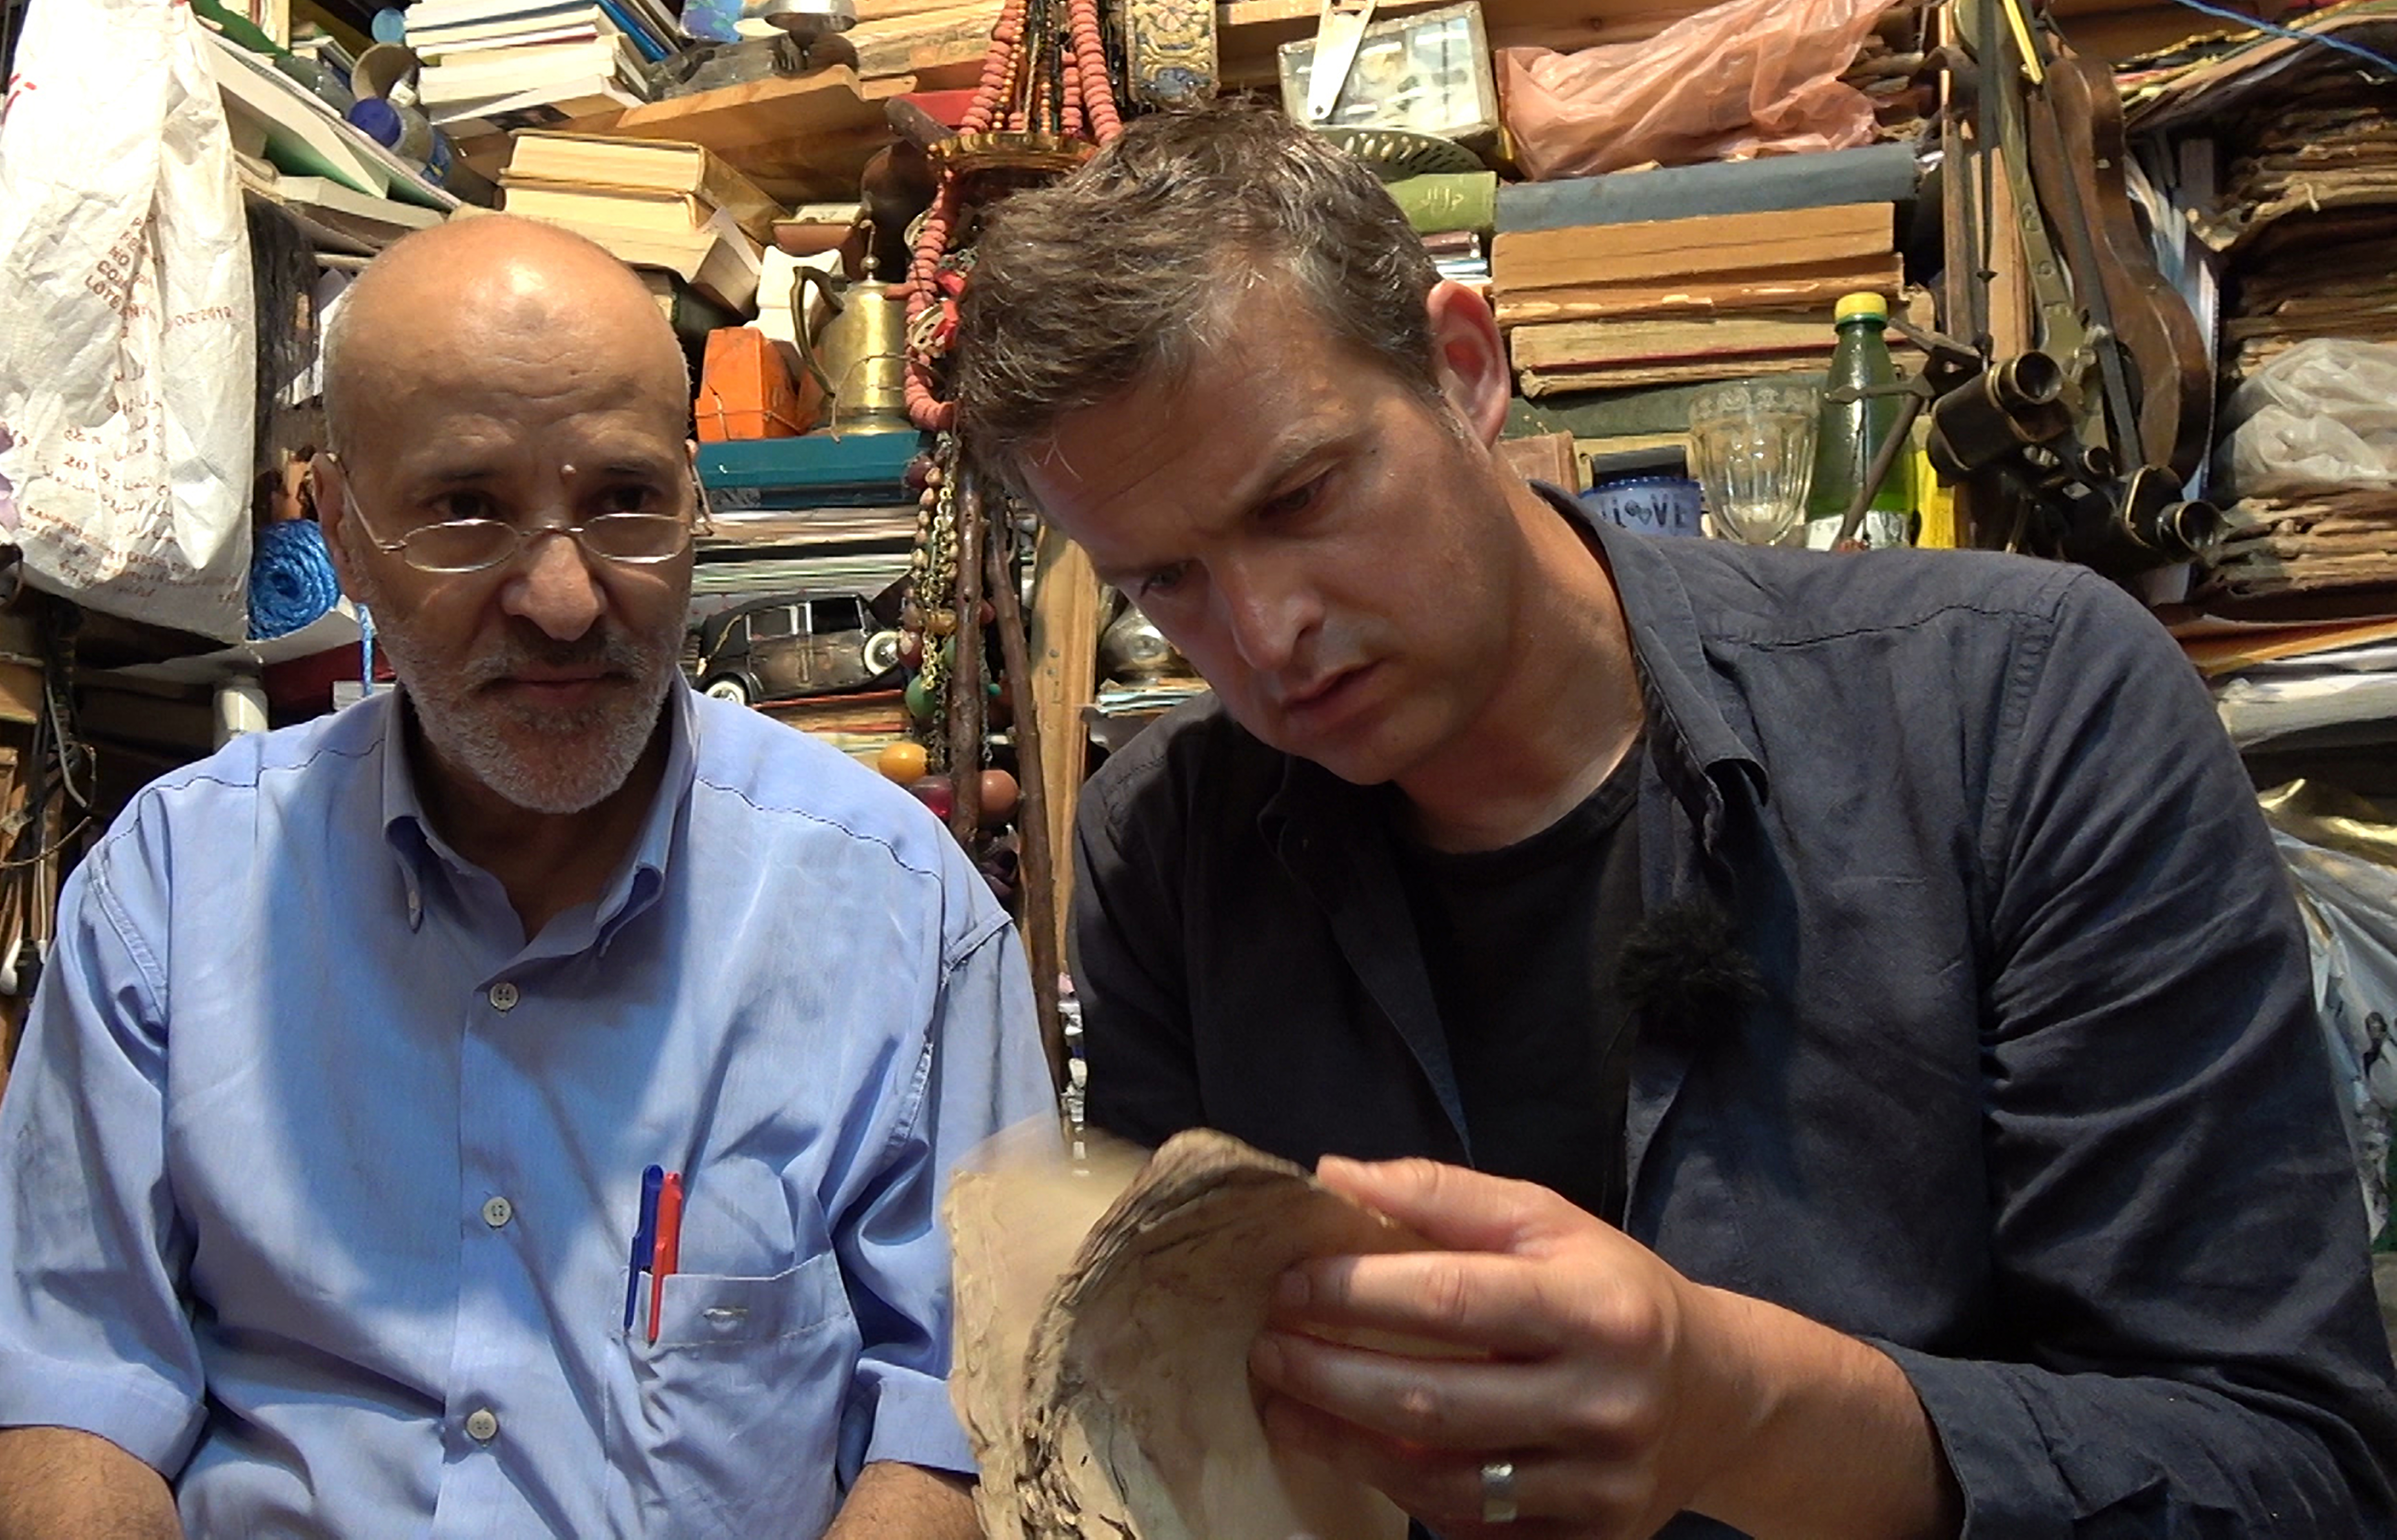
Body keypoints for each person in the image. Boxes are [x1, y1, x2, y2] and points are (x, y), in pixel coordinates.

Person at [952, 106, 2397, 1537]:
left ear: (1461, 371)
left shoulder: (2016, 712)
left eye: (1301, 497)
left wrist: (1748, 1417)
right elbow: (1177, 1436)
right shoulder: (1165, 852)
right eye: (1165, 585)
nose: (1265, 636)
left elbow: (2285, 1466)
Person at [0, 214, 1050, 1538]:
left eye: (627, 502)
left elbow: (966, 1424)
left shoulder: (903, 913)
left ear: (698, 507)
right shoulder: (175, 891)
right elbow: (73, 1390)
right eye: (467, 510)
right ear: (344, 537)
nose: (567, 601)